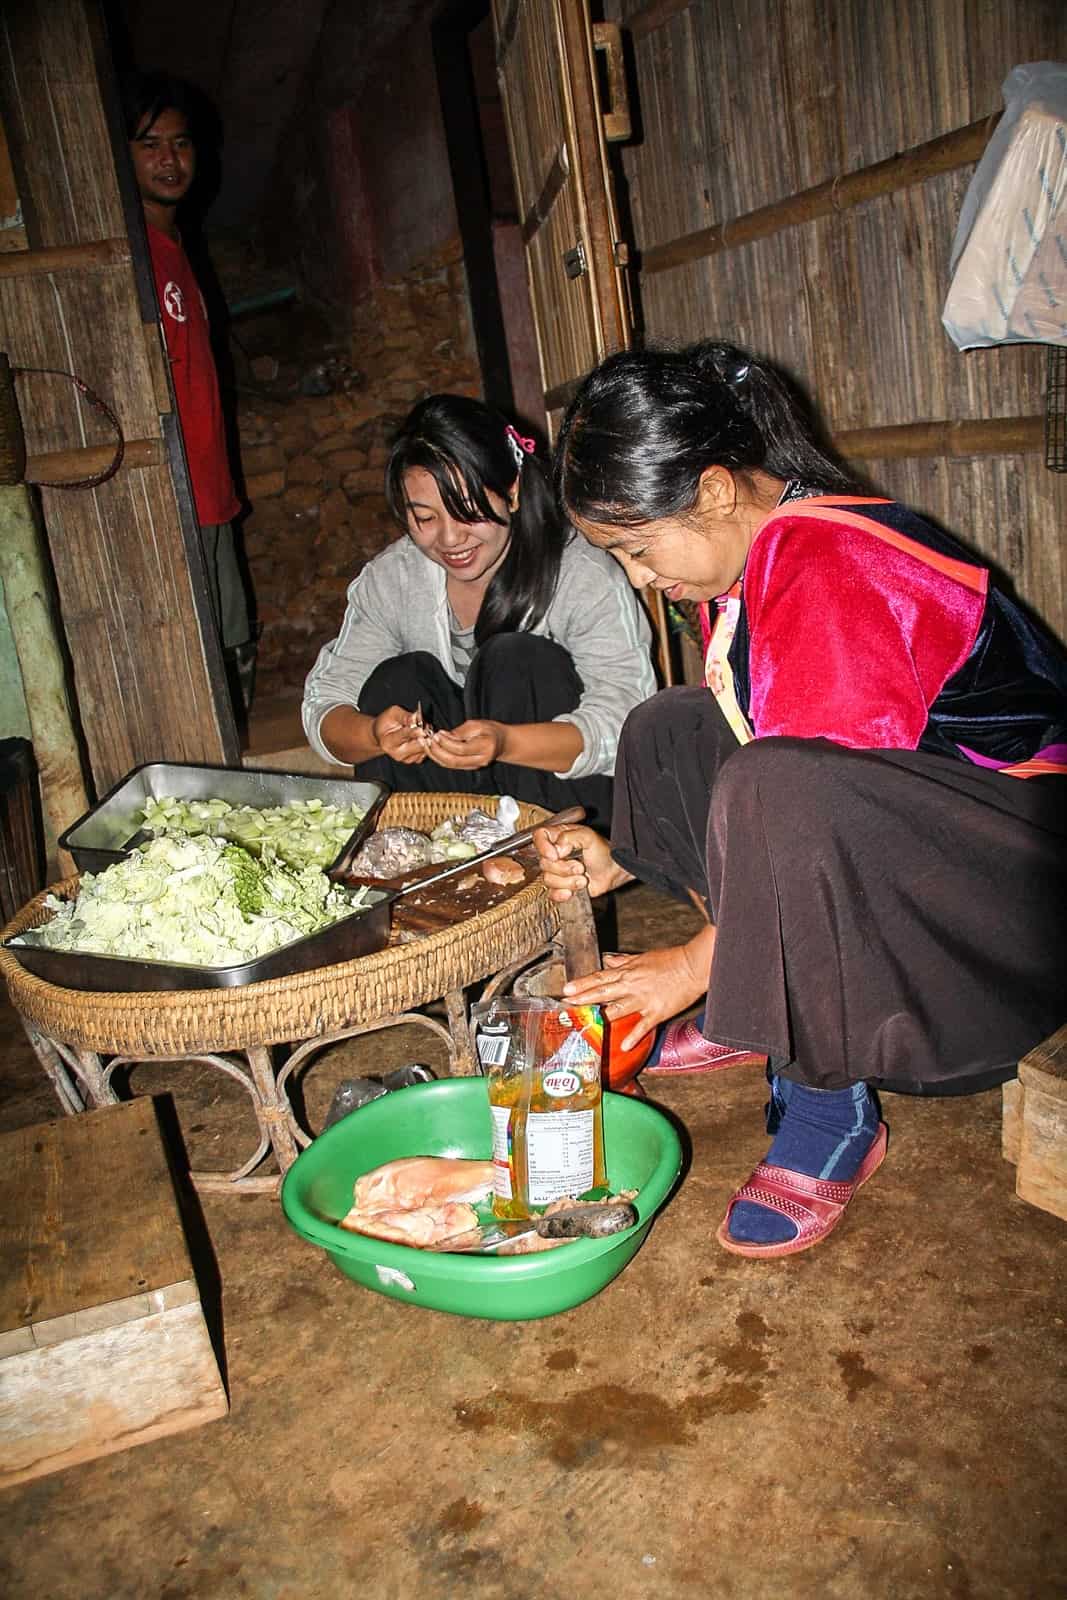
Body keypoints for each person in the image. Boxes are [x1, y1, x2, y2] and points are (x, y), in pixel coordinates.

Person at [534, 339, 1067, 1259]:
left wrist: (693, 965)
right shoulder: (755, 555)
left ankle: (829, 1104)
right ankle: (767, 1005)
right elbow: (757, 744)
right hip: (943, 842)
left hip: (1015, 903)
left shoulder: (826, 559)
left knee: (780, 782)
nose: (637, 578)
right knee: (671, 728)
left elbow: (805, 796)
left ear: (709, 490)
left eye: (634, 548)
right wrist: (621, 858)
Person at [301, 393, 657, 827]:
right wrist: (374, 735)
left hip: (567, 801)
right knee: (396, 681)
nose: (450, 540)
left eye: (467, 510)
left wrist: (507, 742)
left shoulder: (580, 572)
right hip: (452, 800)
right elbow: (326, 702)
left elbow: (627, 721)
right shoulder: (392, 579)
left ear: (512, 491)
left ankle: (547, 877)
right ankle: (431, 870)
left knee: (514, 661)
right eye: (425, 519)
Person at [123, 72, 256, 716]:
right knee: (195, 653)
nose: (169, 159)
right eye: (149, 144)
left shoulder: (176, 247)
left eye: (180, 143)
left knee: (229, 639)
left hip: (209, 485)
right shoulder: (130, 254)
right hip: (171, 486)